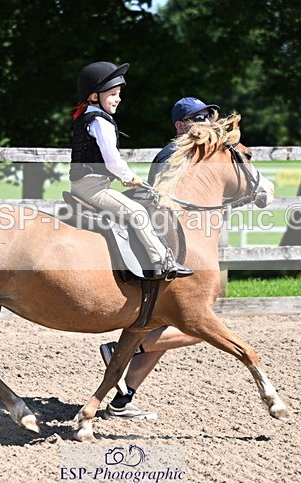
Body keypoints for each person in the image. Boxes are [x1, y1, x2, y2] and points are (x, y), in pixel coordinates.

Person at [100, 96, 219, 420]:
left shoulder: (191, 153)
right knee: (194, 329)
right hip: (165, 245)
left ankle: (123, 400)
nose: (207, 121)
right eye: (199, 117)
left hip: (173, 240)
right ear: (181, 125)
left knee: (166, 326)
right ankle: (128, 349)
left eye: (209, 115)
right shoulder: (175, 154)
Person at [70, 61, 193, 279]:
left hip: (89, 184)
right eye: (113, 94)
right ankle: (162, 261)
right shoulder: (101, 121)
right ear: (94, 96)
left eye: (118, 93)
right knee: (137, 212)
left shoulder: (88, 117)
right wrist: (132, 178)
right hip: (93, 188)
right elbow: (113, 162)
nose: (118, 99)